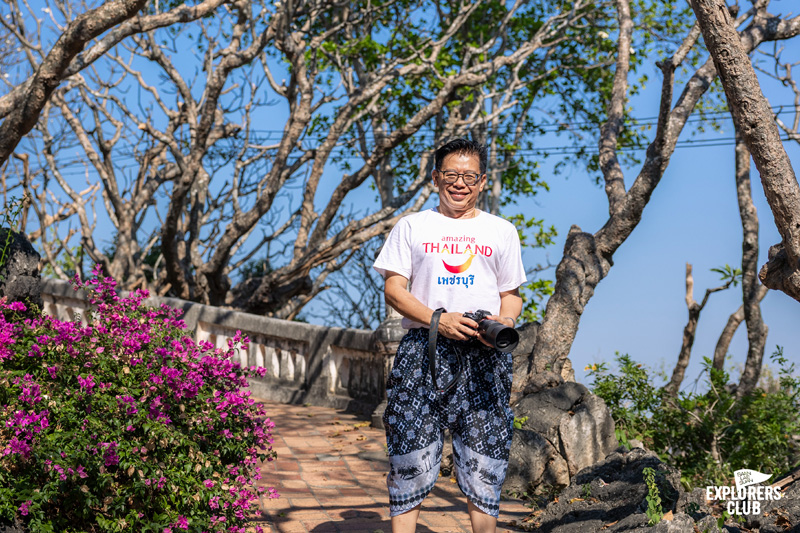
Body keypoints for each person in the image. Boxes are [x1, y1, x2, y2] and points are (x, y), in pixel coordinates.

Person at [372, 138, 526, 533]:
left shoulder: (501, 230)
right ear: (437, 177)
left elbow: (512, 296)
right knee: (409, 451)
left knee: (485, 456)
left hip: (484, 356)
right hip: (422, 351)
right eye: (452, 175)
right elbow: (394, 290)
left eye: (469, 176)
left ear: (482, 180)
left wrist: (504, 323)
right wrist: (438, 320)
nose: (460, 183)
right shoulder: (412, 225)